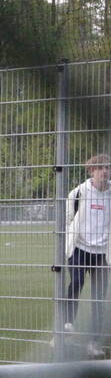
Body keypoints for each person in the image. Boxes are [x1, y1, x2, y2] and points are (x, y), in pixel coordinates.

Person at [63, 153, 111, 357]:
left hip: (101, 252)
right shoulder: (79, 192)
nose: (106, 172)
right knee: (76, 281)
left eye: (108, 168)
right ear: (92, 171)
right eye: (101, 168)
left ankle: (94, 342)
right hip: (80, 249)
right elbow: (68, 216)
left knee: (99, 298)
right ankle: (67, 324)